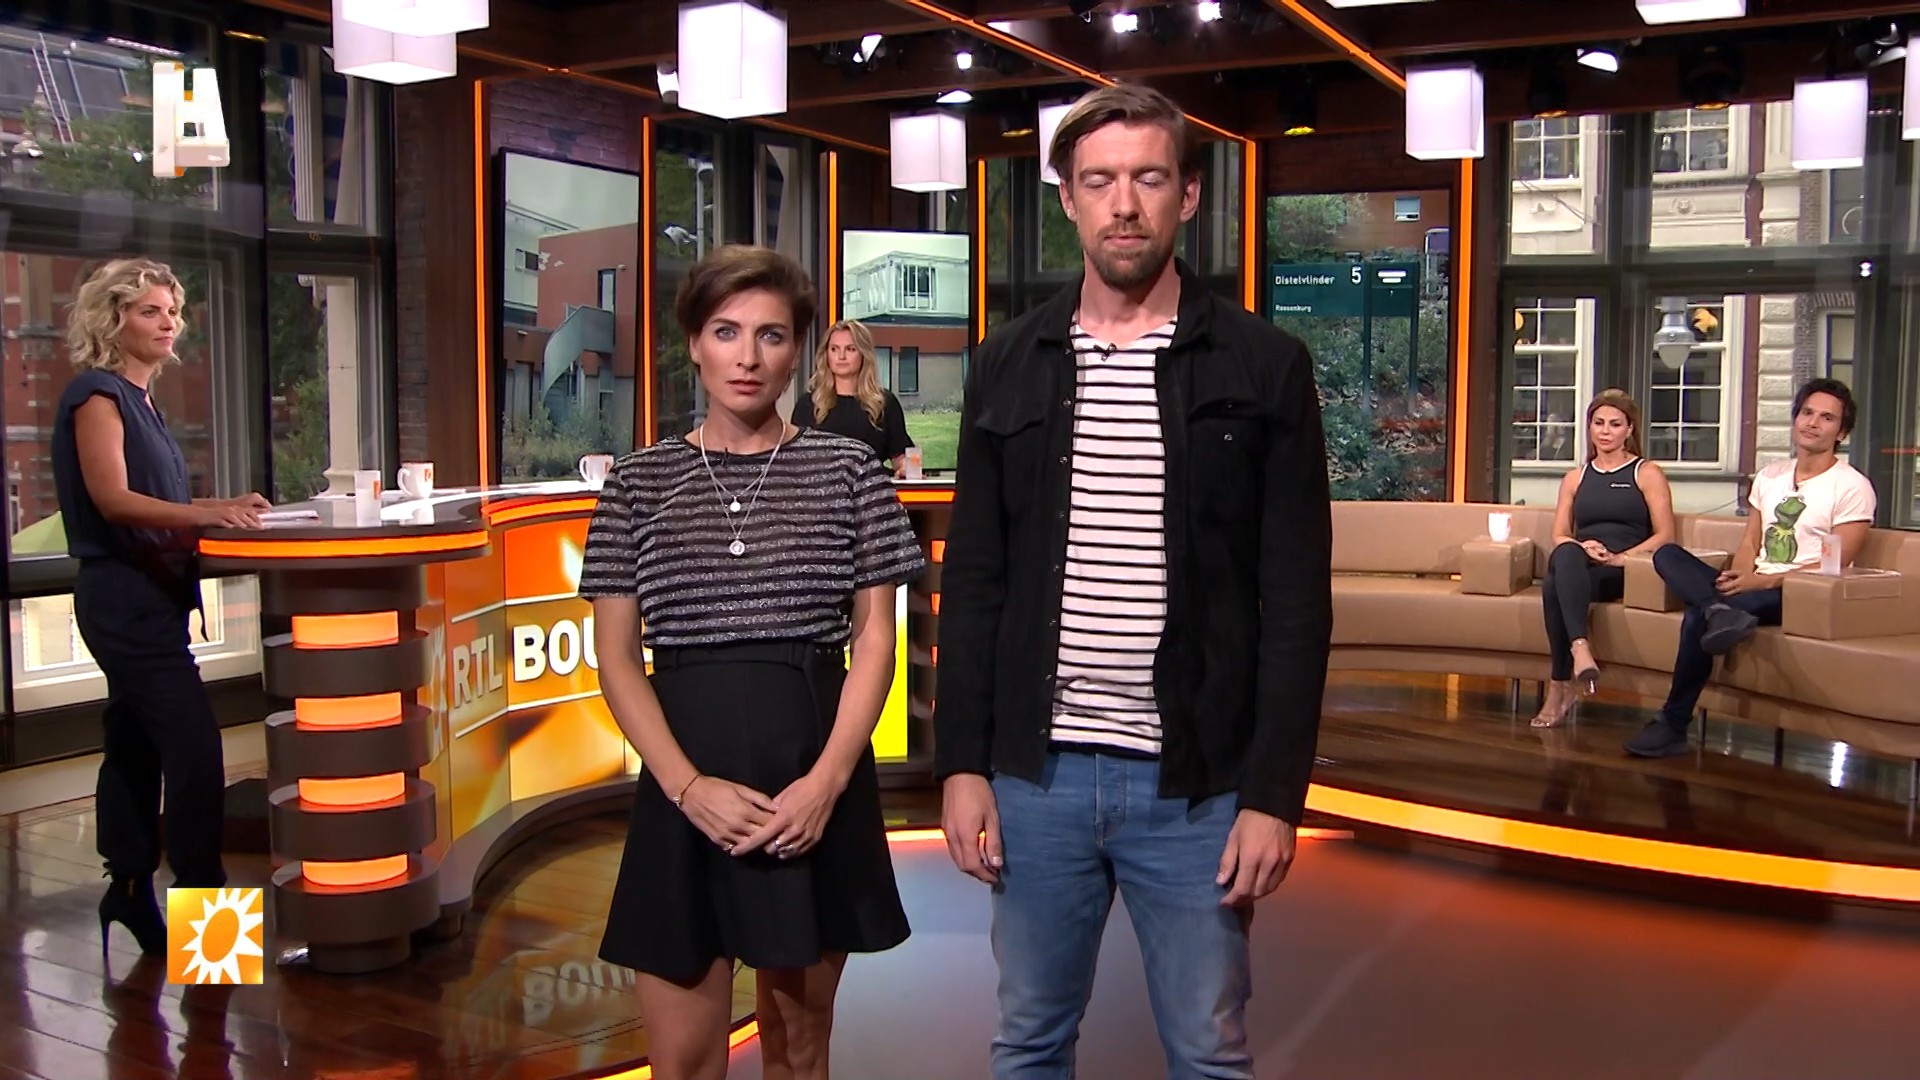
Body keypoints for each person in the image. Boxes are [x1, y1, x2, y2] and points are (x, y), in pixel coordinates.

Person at [934, 83, 1333, 1079]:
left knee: (1209, 1051)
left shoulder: (1265, 365)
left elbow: (1295, 602)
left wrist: (1274, 795)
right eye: (1100, 181)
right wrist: (961, 764)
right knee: (1029, 1042)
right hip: (1037, 777)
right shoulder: (1005, 365)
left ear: (1187, 195)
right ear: (1067, 198)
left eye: (1148, 179)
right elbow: (974, 583)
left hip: (1198, 786)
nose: (1124, 204)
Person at [578, 244, 924, 1080]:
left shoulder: (849, 469)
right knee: (683, 1061)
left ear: (798, 351)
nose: (747, 356)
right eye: (726, 332)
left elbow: (875, 641)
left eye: (771, 335)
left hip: (812, 779)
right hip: (683, 784)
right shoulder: (637, 482)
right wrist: (687, 788)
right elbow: (616, 656)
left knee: (799, 1049)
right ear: (694, 345)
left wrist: (827, 783)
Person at [51, 258, 270, 956]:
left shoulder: (143, 402)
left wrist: (221, 505)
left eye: (173, 310)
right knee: (196, 751)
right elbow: (114, 500)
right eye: (150, 310)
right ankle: (213, 939)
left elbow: (156, 501)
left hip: (154, 596)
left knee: (134, 743)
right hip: (124, 600)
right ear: (112, 319)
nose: (169, 321)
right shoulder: (96, 394)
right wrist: (206, 516)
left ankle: (126, 888)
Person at [1624, 377, 1876, 758]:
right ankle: (1717, 607)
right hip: (1753, 582)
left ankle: (1673, 724)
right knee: (1666, 555)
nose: (1812, 423)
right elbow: (1749, 543)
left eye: (1826, 418)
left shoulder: (1852, 487)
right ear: (1795, 418)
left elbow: (1832, 564)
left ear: (1841, 432)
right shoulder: (1771, 476)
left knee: (1695, 617)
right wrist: (1739, 576)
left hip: (1798, 593)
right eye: (1807, 413)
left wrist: (1760, 582)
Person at [1531, 389, 1673, 728]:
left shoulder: (1646, 473)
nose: (1605, 431)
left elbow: (1665, 535)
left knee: (1553, 587)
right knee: (1566, 552)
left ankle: (1560, 685)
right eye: (1598, 423)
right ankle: (1580, 649)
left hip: (1623, 569)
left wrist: (1621, 558)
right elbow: (1560, 533)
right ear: (1589, 427)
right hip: (1582, 564)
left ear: (1630, 429)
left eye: (1615, 424)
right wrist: (1584, 548)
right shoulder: (1575, 477)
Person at [792, 318, 915, 475]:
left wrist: (906, 468)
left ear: (863, 354)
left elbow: (900, 455)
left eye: (850, 349)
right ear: (826, 354)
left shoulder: (883, 403)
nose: (841, 356)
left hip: (871, 486)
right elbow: (794, 459)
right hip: (822, 489)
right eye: (834, 349)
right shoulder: (809, 404)